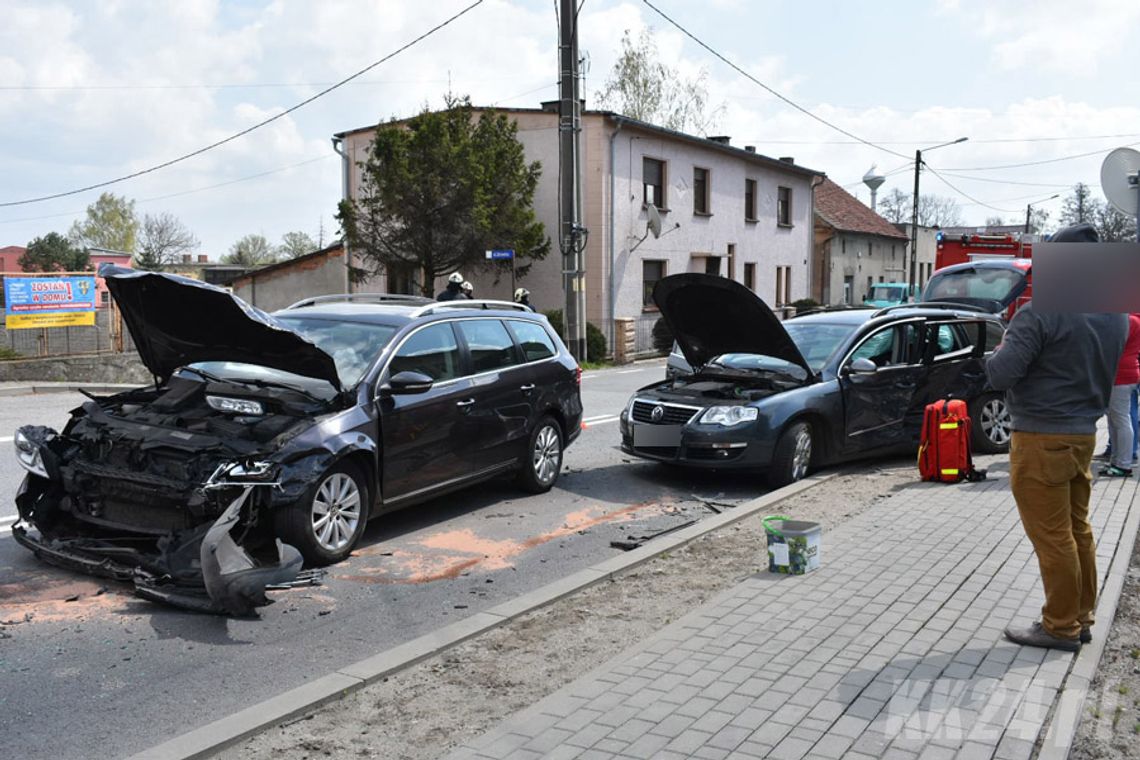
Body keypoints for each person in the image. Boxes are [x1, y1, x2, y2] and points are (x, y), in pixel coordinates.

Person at [985, 223, 1128, 652]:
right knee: (1077, 529)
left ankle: (1060, 625)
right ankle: (1081, 616)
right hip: (1084, 433)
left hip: (1041, 436)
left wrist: (999, 348)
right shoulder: (1115, 312)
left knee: (1053, 536)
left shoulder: (1041, 312)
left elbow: (1001, 373)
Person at [1101, 312, 1140, 477]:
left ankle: (1123, 464)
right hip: (1124, 372)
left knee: (1120, 419)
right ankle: (1117, 461)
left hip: (1121, 374)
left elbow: (1111, 343)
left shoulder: (1128, 320)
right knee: (1116, 419)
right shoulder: (1133, 319)